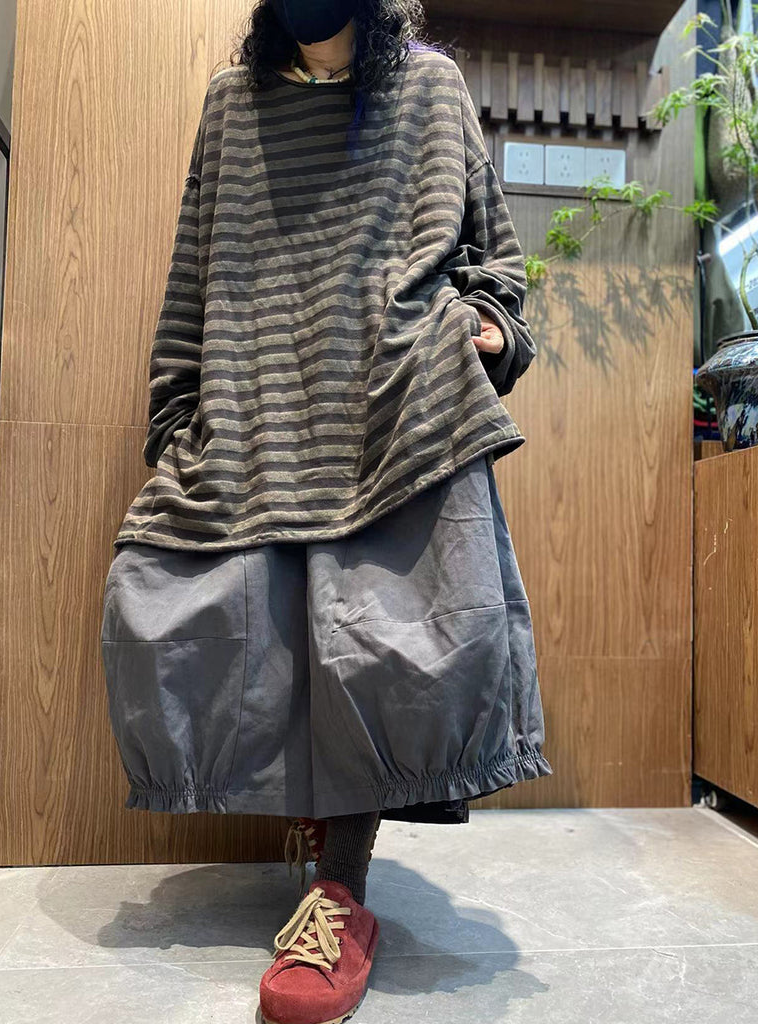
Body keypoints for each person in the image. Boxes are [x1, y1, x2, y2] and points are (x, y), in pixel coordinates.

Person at [99, 2, 552, 1022]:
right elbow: (193, 271)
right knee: (174, 611)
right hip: (257, 399)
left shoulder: (429, 86)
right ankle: (322, 856)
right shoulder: (233, 103)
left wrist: (484, 326)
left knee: (381, 649)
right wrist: (177, 413)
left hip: (399, 406)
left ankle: (338, 895)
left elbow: (498, 258)